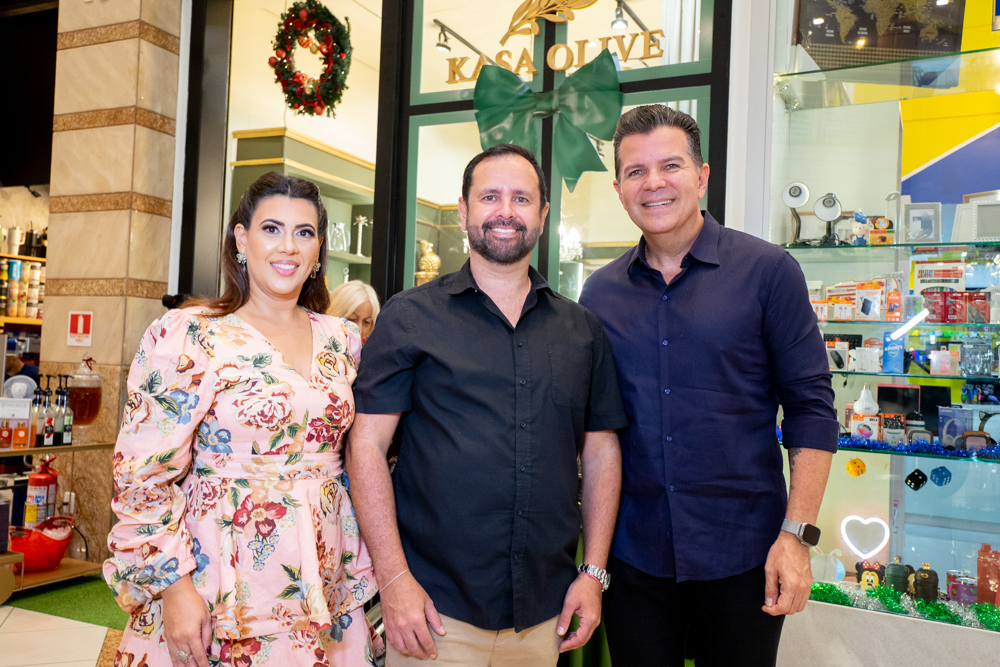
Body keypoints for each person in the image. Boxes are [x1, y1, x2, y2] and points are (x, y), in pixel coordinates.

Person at [346, 143, 627, 667]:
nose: (505, 211)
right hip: (432, 612)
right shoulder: (409, 317)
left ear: (543, 214)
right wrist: (394, 579)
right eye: (490, 196)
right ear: (463, 211)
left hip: (544, 613)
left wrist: (593, 573)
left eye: (521, 198)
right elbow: (366, 447)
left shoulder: (582, 331)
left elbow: (601, 453)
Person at [579, 105, 838, 666]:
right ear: (619, 190)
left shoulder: (769, 272)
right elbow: (594, 426)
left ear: (701, 176)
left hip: (746, 554)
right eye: (635, 171)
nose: (653, 183)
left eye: (670, 166)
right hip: (635, 558)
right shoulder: (599, 294)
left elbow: (812, 410)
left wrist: (796, 537)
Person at [104, 172, 379, 667]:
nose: (288, 247)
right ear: (241, 239)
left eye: (304, 232)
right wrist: (174, 589)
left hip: (324, 578)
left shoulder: (343, 340)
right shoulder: (191, 335)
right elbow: (141, 476)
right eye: (271, 229)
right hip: (219, 582)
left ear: (318, 249)